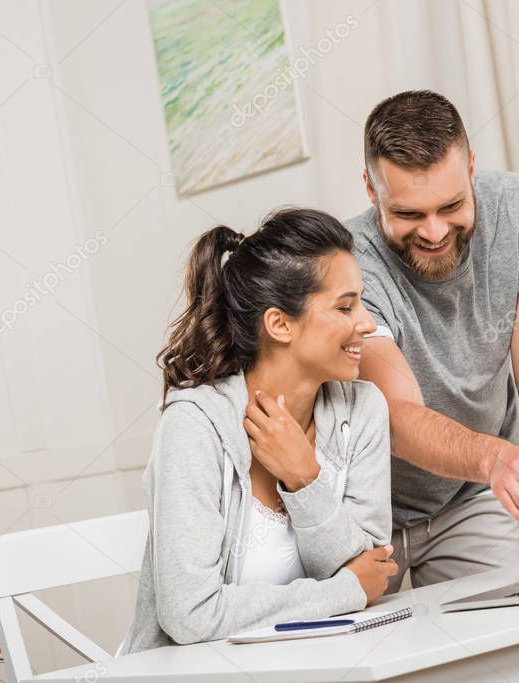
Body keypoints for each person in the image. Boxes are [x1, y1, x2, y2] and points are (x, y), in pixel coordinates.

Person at [120, 208, 397, 654]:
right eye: (345, 306)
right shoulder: (195, 426)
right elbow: (189, 614)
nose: (366, 322)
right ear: (279, 324)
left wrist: (305, 480)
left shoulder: (362, 410)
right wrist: (343, 593)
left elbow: (371, 570)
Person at [346, 90, 519, 593]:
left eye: (451, 205)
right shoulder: (347, 262)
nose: (434, 231)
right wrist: (495, 458)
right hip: (361, 512)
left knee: (494, 659)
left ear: (471, 166)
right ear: (371, 189)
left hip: (469, 498)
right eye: (409, 214)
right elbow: (396, 417)